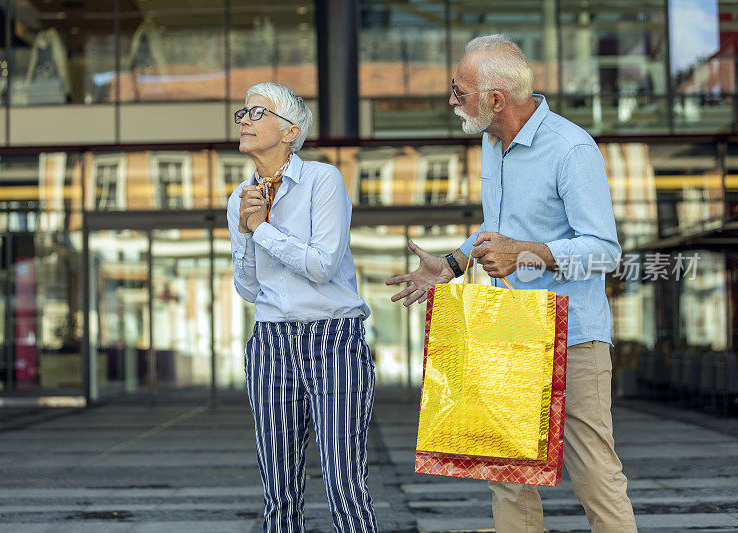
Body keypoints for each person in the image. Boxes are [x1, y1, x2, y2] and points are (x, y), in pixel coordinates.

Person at [386, 35, 637, 533]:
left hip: (572, 336)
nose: (452, 100)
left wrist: (525, 252)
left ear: (495, 99)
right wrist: (456, 262)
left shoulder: (571, 149)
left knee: (593, 475)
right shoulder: (491, 141)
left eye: (459, 91)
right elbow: (496, 225)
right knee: (508, 477)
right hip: (507, 330)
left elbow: (605, 251)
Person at [227, 82, 377, 533]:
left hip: (333, 341)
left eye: (258, 113)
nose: (245, 120)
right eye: (243, 113)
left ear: (290, 130)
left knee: (344, 485)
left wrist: (262, 229)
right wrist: (247, 231)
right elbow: (249, 288)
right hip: (270, 343)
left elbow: (321, 264)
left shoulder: (322, 179)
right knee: (278, 492)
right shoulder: (241, 197)